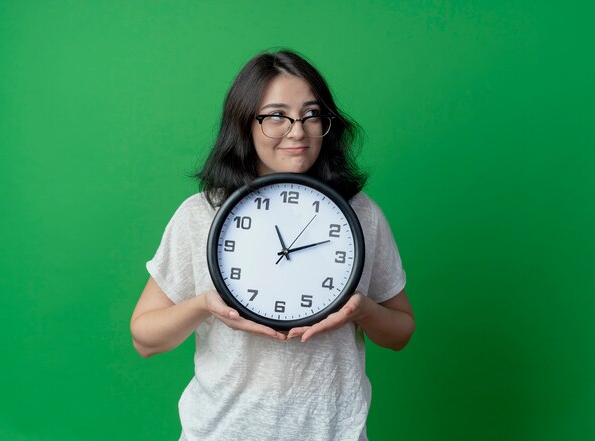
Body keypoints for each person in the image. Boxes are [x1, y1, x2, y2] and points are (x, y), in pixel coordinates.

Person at [130, 49, 415, 441]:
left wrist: (361, 310)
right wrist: (204, 305)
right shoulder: (202, 215)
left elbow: (400, 333)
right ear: (245, 124)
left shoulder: (361, 215)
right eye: (276, 116)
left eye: (311, 115)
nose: (297, 131)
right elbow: (144, 338)